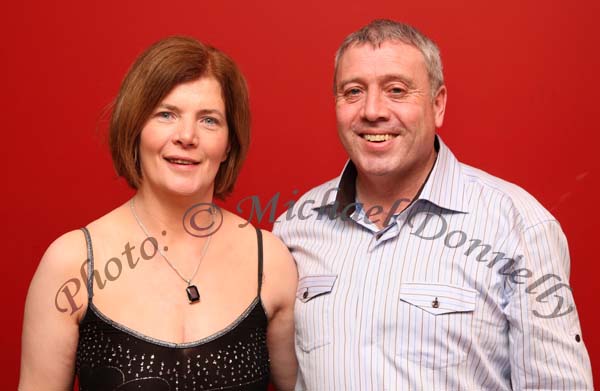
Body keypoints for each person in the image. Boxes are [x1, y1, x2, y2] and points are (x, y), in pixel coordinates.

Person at [273, 19, 593, 390]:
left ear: (437, 104)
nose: (372, 110)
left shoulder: (519, 226)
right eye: (353, 91)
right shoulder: (295, 228)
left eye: (396, 89)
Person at [19, 36, 297, 391]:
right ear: (136, 128)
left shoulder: (271, 262)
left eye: (209, 121)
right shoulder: (72, 263)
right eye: (166, 114)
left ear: (228, 144)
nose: (186, 136)